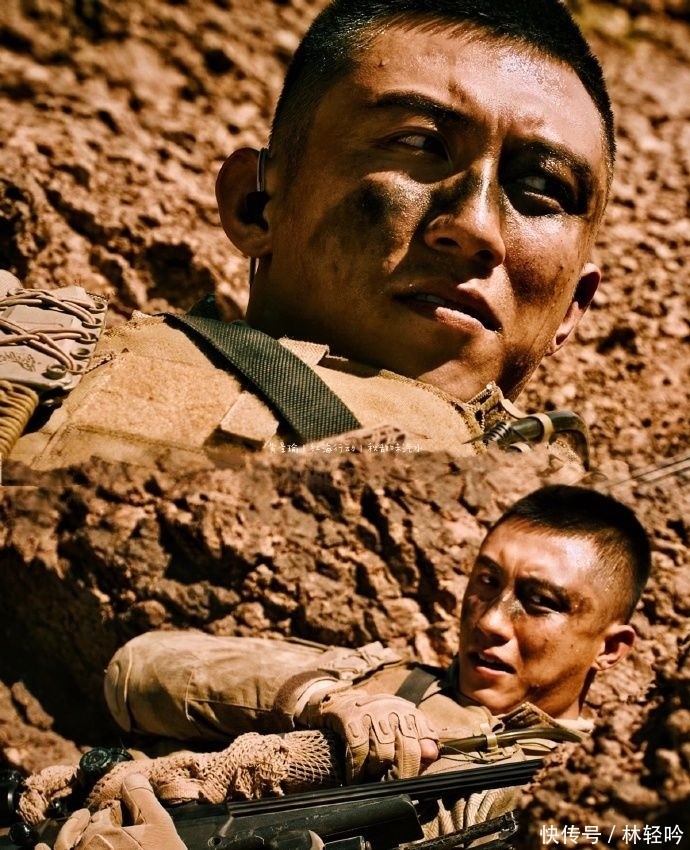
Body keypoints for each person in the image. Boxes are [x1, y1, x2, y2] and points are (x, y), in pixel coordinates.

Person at [7, 0, 613, 472]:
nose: (475, 227)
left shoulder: (585, 543)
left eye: (543, 187)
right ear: (256, 206)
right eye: (418, 143)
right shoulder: (34, 350)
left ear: (573, 308)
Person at [67, 484, 648, 848]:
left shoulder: (592, 794)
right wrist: (325, 700)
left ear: (611, 647)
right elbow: (133, 673)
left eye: (539, 602)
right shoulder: (386, 683)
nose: (491, 620)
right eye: (486, 582)